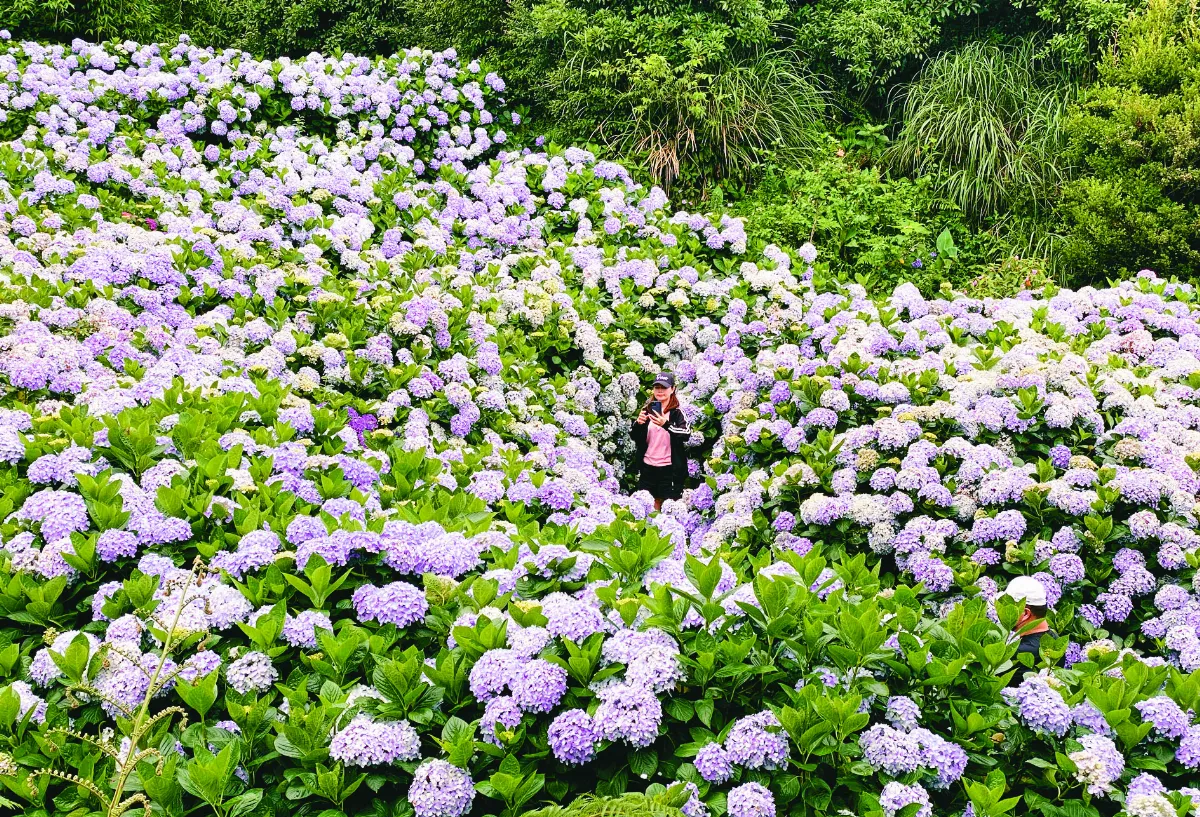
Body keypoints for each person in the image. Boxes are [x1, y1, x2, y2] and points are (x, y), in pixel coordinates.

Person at [629, 372, 690, 512]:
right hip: (647, 468)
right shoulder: (647, 409)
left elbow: (686, 434)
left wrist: (666, 425)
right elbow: (635, 437)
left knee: (668, 507)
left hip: (669, 469)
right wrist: (638, 424)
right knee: (648, 507)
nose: (660, 391)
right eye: (657, 387)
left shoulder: (677, 413)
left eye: (664, 387)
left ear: (673, 389)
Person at [1001, 575, 1057, 684]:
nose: (1002, 611)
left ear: (1025, 613)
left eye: (1007, 607)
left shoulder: (1019, 653)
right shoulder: (1055, 640)